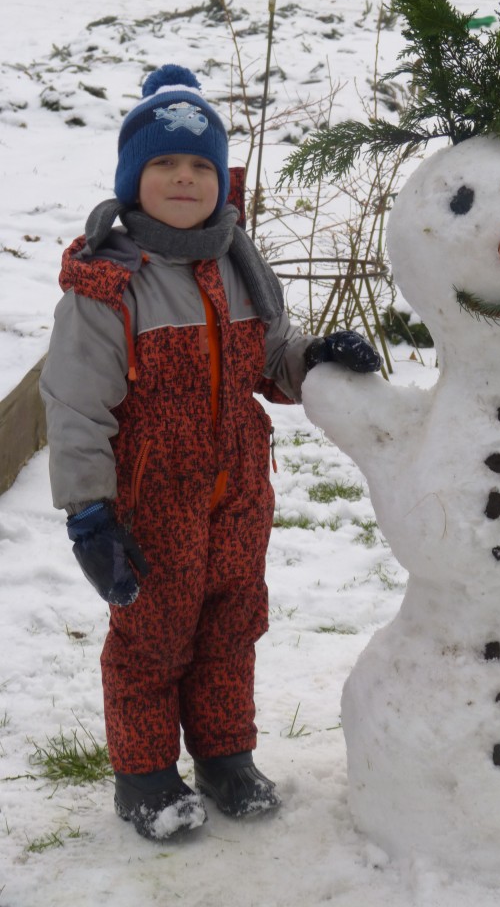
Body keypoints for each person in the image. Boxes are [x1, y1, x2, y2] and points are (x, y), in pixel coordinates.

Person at [40, 64, 381, 841]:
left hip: (236, 496)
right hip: (150, 501)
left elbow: (268, 358)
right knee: (153, 639)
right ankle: (146, 777)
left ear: (219, 179)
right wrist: (89, 510)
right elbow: (75, 406)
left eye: (199, 165)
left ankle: (226, 756)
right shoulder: (109, 285)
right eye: (164, 163)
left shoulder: (236, 263)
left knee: (231, 627)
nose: (184, 179)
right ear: (134, 178)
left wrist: (315, 359)